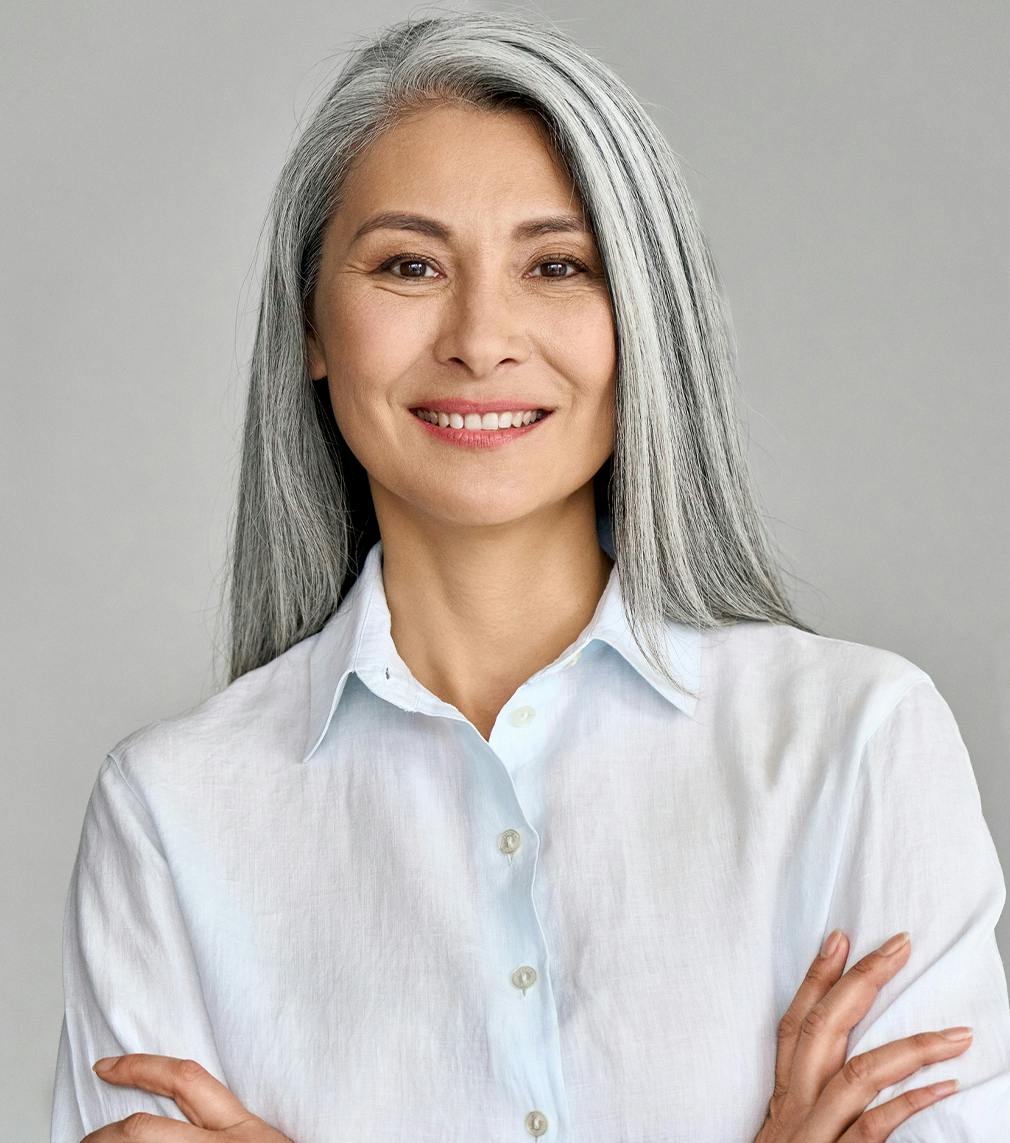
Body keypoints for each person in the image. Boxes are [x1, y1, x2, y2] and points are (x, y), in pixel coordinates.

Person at [50, 11, 1010, 1143]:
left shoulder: (857, 746)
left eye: (556, 265)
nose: (481, 336)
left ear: (641, 320)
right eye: (408, 265)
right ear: (313, 323)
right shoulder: (170, 814)